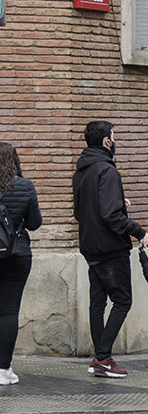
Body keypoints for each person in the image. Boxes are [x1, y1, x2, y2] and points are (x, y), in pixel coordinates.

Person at [72, 121, 148, 379]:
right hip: (110, 248)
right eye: (114, 137)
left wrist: (119, 201)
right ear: (107, 141)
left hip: (91, 247)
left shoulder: (82, 171)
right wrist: (140, 232)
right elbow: (111, 215)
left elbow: (81, 211)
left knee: (97, 303)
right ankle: (102, 358)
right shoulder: (107, 171)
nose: (115, 141)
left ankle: (101, 357)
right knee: (122, 300)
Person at [0, 143, 41, 385]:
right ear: (14, 160)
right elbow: (35, 223)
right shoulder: (24, 186)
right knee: (8, 311)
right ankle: (3, 369)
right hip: (17, 254)